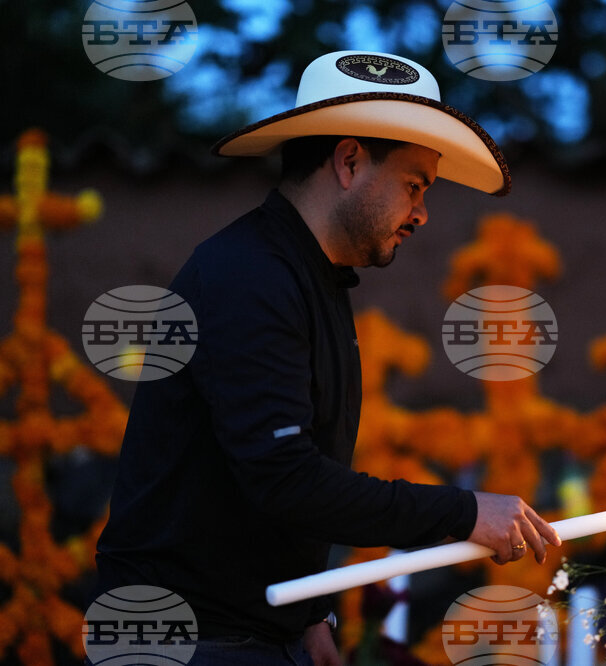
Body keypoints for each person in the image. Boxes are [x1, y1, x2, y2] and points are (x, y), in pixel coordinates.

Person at [92, 51, 559, 666]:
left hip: (253, 635)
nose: (421, 213)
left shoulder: (312, 275)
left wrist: (308, 615)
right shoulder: (249, 276)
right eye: (414, 185)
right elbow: (285, 476)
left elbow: (277, 474)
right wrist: (464, 511)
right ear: (348, 161)